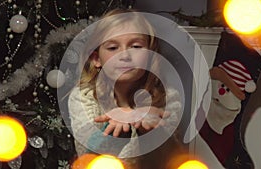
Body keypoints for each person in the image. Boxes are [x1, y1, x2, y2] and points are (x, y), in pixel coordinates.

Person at [68, 8, 184, 169]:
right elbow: (87, 156)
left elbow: (171, 159)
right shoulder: (83, 97)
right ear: (96, 59)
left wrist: (149, 131)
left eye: (136, 46)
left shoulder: (168, 97)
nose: (124, 55)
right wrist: (118, 127)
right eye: (113, 48)